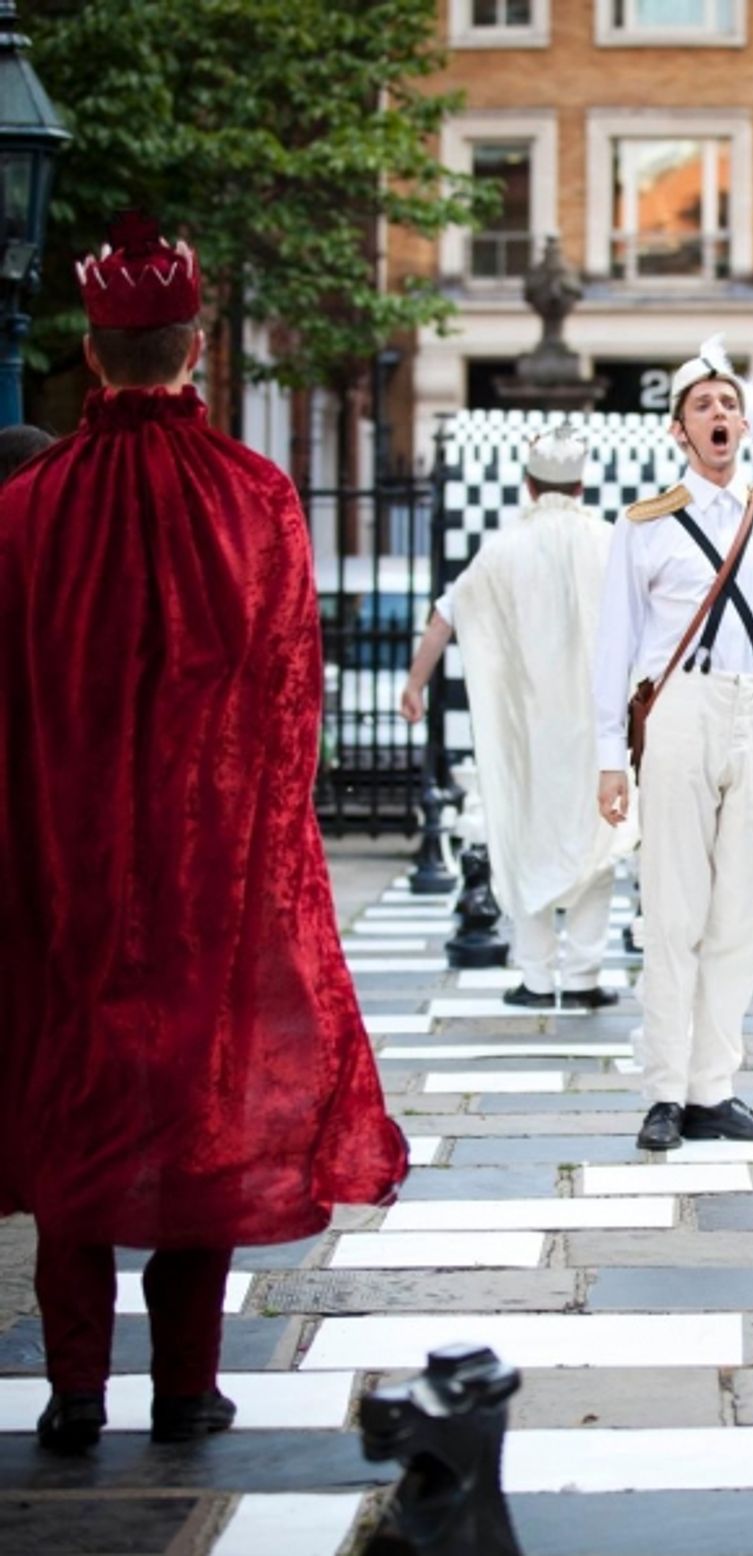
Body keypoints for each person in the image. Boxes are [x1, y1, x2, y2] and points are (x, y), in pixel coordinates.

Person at [0, 216, 407, 1454]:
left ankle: (76, 1385)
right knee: (203, 1106)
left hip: (66, 874)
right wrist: (268, 852)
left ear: (89, 349)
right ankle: (186, 1381)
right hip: (205, 872)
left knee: (75, 1104)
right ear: (197, 352)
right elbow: (293, 699)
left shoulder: (21, 511)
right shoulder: (258, 500)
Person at [594, 338, 753, 1152]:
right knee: (674, 908)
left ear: (744, 423)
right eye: (701, 407)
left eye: (727, 404)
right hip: (678, 709)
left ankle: (712, 1088)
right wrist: (609, 757)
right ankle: (663, 1093)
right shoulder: (644, 524)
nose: (717, 415)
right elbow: (613, 648)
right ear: (678, 432)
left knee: (739, 913)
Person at [400, 423, 633, 1008]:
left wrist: (415, 684)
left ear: (529, 486)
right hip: (597, 729)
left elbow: (444, 617)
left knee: (526, 838)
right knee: (596, 843)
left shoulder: (501, 550)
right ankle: (582, 978)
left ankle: (535, 977)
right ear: (581, 486)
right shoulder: (611, 542)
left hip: (526, 729)